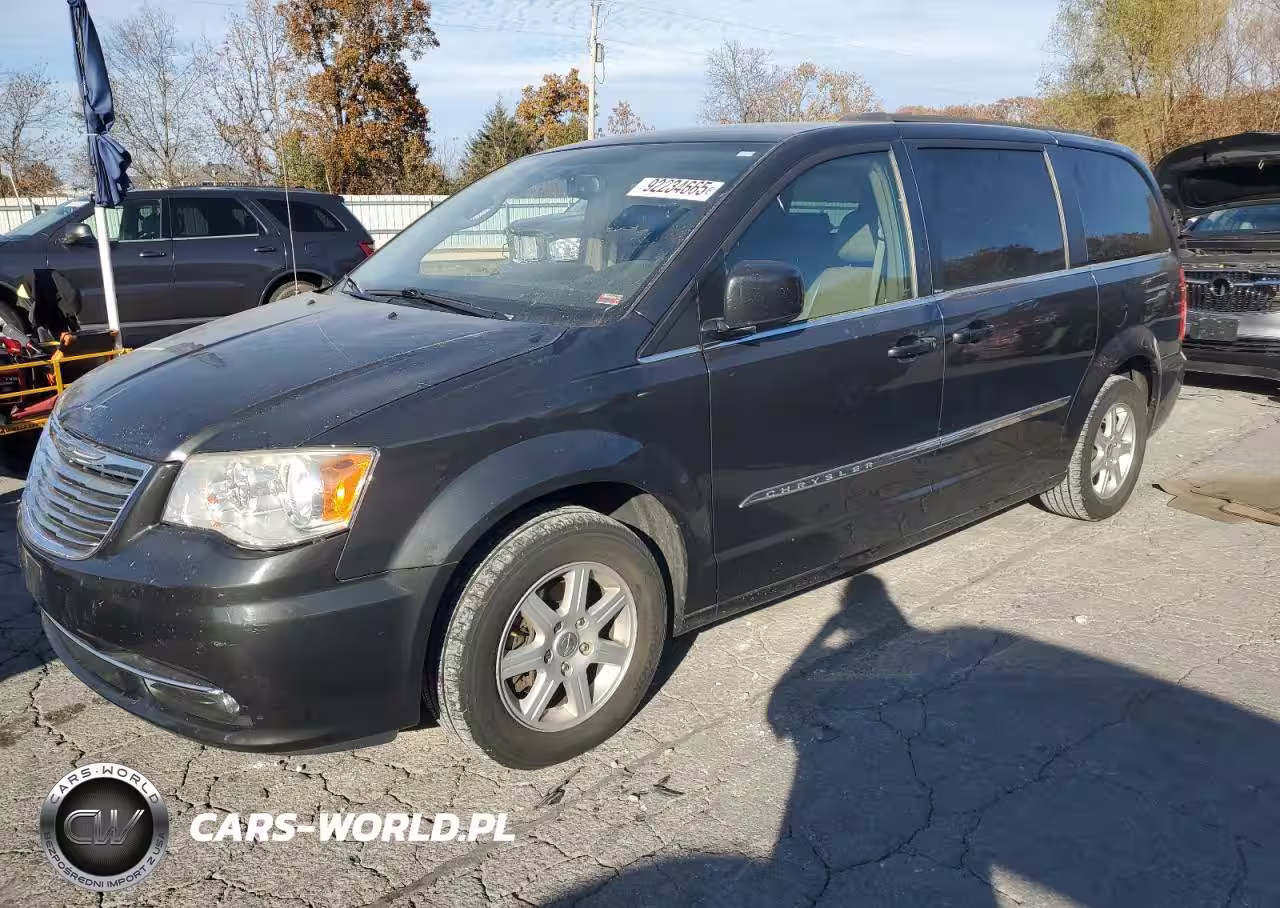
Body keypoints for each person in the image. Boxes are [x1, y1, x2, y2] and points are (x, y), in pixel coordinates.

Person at [14, 269, 82, 344]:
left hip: (49, 294)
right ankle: (43, 335)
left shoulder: (68, 299)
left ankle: (46, 335)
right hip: (31, 290)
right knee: (39, 319)